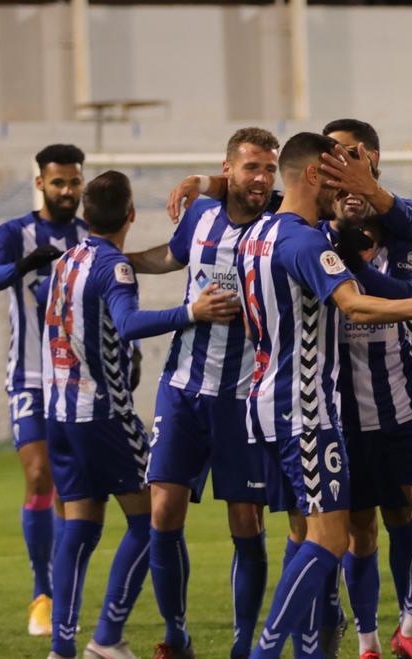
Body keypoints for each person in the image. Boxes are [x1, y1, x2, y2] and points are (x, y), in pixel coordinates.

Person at [238, 132, 412, 659]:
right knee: (328, 541)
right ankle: (267, 649)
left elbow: (380, 262)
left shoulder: (254, 235)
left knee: (315, 539)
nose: (339, 185)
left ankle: (310, 648)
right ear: (312, 176)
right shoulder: (306, 242)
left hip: (267, 401)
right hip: (306, 406)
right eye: (332, 174)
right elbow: (353, 303)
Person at [41, 170, 240, 659]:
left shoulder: (67, 260)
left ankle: (61, 647)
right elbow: (128, 325)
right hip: (102, 414)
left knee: (81, 525)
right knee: (149, 523)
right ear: (131, 215)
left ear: (86, 216)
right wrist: (191, 312)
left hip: (58, 413)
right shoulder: (115, 267)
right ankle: (107, 639)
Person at [123, 127, 285, 659]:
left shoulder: (282, 224)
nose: (261, 178)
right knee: (163, 510)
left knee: (246, 520)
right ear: (230, 169)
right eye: (251, 168)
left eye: (269, 168)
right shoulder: (200, 216)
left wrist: (203, 179)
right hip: (184, 387)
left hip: (245, 395)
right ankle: (176, 635)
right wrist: (116, 261)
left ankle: (242, 645)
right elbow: (170, 257)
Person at [315, 118, 412, 659]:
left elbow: (401, 291)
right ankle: (369, 641)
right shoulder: (310, 229)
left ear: (372, 156)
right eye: (332, 157)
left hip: (406, 407)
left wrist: (351, 261)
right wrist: (208, 183)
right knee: (362, 532)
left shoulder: (401, 223)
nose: (342, 165)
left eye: (351, 155)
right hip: (342, 415)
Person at [0, 143, 89, 637]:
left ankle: (64, 593)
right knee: (40, 475)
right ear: (41, 183)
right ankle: (41, 593)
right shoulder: (14, 233)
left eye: (74, 181)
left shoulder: (91, 236)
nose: (68, 190)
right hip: (28, 375)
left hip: (78, 378)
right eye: (58, 182)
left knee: (74, 488)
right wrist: (24, 266)